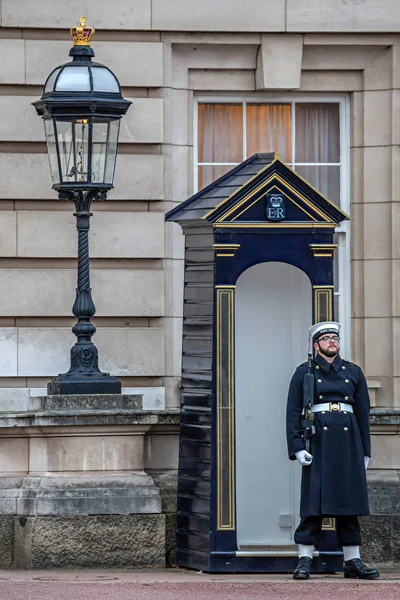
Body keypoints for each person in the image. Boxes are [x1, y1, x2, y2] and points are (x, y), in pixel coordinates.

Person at [286, 321, 379, 580]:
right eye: (326, 339)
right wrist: (297, 447)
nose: (332, 342)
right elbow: (293, 412)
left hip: (348, 442)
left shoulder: (353, 372)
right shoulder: (304, 372)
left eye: (334, 338)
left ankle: (352, 560)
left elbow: (363, 414)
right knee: (314, 503)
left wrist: (365, 452)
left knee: (348, 502)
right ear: (316, 345)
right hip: (319, 440)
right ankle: (304, 558)